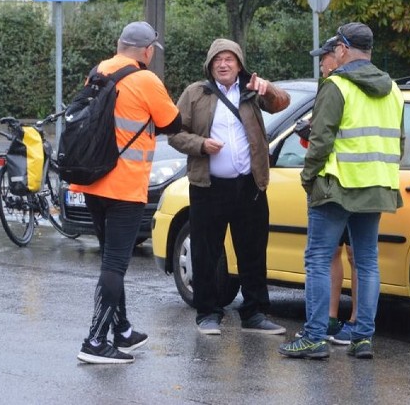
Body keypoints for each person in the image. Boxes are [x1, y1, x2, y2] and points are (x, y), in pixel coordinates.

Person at [278, 22, 404, 360]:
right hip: (376, 185)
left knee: (318, 259)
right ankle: (363, 338)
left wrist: (308, 178)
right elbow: (399, 141)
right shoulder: (393, 89)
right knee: (367, 262)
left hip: (336, 186)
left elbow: (320, 140)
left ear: (344, 49)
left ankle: (315, 337)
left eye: (334, 49)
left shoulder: (337, 85)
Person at [73, 21, 181, 365]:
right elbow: (173, 123)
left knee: (110, 260)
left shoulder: (98, 71)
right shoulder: (146, 79)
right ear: (147, 51)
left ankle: (121, 330)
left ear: (119, 45)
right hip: (125, 186)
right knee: (115, 265)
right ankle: (94, 341)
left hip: (93, 181)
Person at [169, 38, 290, 336]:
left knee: (252, 250)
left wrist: (269, 88)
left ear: (239, 65)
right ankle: (208, 313)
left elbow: (282, 103)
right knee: (206, 252)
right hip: (208, 187)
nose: (223, 64)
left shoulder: (252, 90)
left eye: (229, 59)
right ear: (210, 66)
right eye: (217, 60)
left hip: (250, 185)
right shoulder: (195, 93)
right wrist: (200, 144)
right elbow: (173, 132)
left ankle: (255, 313)